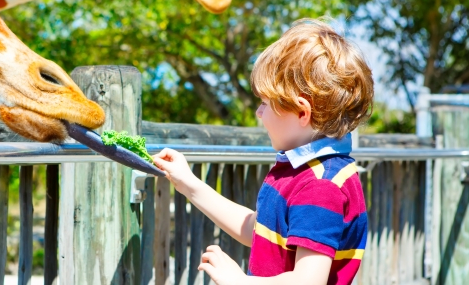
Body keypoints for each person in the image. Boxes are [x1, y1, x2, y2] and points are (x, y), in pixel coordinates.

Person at [153, 19, 374, 285]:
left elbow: (308, 281)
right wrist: (189, 184)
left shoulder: (321, 185)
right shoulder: (300, 170)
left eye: (266, 103)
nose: (259, 113)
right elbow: (257, 230)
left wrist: (240, 282)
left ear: (302, 112)